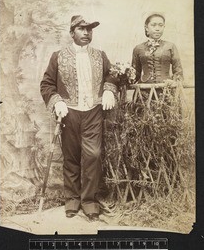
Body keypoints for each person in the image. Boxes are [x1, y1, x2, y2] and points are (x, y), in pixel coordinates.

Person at [40, 15, 118, 221]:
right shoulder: (58, 56)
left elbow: (112, 75)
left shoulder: (100, 55)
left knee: (93, 155)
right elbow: (47, 84)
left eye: (90, 29)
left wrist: (109, 89)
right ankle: (72, 200)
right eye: (82, 29)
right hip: (70, 112)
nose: (86, 33)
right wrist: (57, 101)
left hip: (93, 111)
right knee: (71, 157)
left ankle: (89, 201)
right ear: (72, 32)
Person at [132, 13, 183, 84]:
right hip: (144, 91)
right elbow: (134, 74)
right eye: (153, 25)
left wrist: (175, 83)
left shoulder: (170, 46)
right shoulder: (138, 48)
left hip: (166, 90)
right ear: (146, 28)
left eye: (161, 25)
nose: (157, 29)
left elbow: (178, 71)